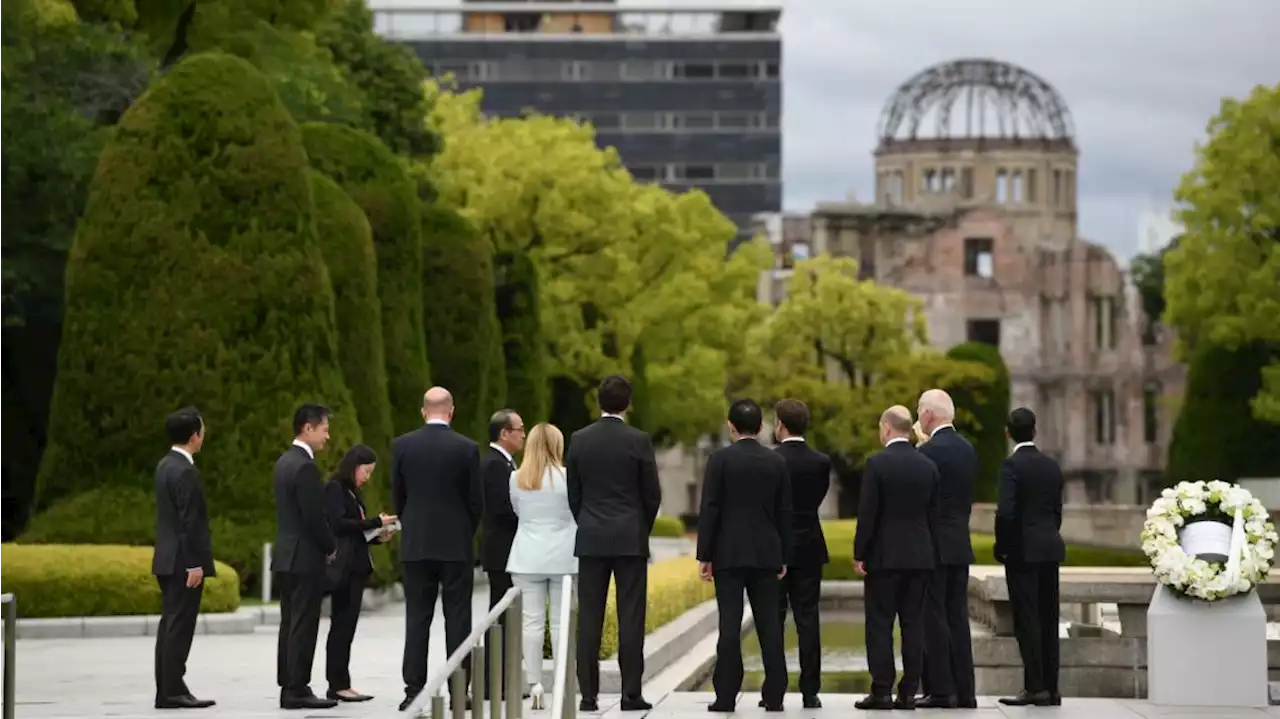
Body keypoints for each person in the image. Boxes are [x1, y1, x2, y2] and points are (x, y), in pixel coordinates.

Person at [567, 374, 661, 712]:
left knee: (589, 617)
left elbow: (574, 492)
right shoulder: (639, 440)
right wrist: (640, 527)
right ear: (628, 403)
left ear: (599, 401)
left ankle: (588, 696)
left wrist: (587, 521)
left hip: (591, 536)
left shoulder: (579, 439)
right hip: (629, 538)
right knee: (631, 617)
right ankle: (630, 694)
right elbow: (652, 494)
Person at [699, 399, 792, 713]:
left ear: (731, 425)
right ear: (762, 427)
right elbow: (784, 513)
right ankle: (776, 694)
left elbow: (710, 508)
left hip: (728, 553)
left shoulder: (720, 460)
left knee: (729, 624)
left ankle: (726, 694)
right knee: (770, 625)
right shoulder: (776, 462)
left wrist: (705, 555)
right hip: (766, 553)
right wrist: (783, 555)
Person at [393, 387, 483, 712]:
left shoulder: (402, 445)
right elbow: (476, 502)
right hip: (455, 545)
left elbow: (399, 497)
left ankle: (413, 689)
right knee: (458, 619)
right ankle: (460, 689)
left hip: (416, 544)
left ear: (423, 412)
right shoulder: (467, 448)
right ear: (451, 411)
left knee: (417, 618)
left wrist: (413, 526)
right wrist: (463, 533)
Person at [853, 406, 940, 711]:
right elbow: (933, 515)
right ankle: (908, 692)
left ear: (887, 428)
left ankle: (881, 690)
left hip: (885, 557)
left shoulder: (877, 464)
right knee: (913, 625)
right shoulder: (928, 465)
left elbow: (868, 514)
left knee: (879, 625)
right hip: (920, 556)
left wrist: (859, 553)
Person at [995, 408, 1066, 708]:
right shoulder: (1052, 466)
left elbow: (1007, 513)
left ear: (1008, 433)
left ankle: (1034, 686)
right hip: (1050, 547)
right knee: (1049, 618)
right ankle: (1051, 688)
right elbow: (1056, 511)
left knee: (1027, 620)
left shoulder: (1011, 466)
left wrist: (1004, 546)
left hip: (1023, 552)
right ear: (1034, 431)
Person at [506, 423, 578, 709]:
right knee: (561, 623)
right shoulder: (568, 478)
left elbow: (517, 511)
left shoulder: (516, 478)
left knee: (531, 623)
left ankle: (535, 683)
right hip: (564, 555)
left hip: (526, 555)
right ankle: (560, 682)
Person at [915, 389, 978, 709]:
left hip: (933, 547)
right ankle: (965, 691)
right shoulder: (968, 449)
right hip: (959, 544)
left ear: (928, 414)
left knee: (934, 618)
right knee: (958, 618)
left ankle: (941, 690)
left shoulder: (927, 453)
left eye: (919, 413)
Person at [273, 403, 338, 710]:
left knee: (290, 622)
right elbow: (314, 518)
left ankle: (289, 681)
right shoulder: (306, 467)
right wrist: (330, 546)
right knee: (304, 623)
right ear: (308, 428)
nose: (327, 437)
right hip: (304, 557)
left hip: (286, 555)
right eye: (324, 429)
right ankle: (297, 688)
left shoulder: (284, 462)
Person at [151, 407, 216, 710]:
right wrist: (194, 563)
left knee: (170, 625)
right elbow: (190, 521)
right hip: (182, 562)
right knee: (179, 626)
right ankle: (173, 690)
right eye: (202, 431)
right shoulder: (186, 470)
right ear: (194, 436)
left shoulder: (165, 465)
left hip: (166, 557)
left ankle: (168, 687)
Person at [322, 444, 397, 703]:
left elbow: (357, 532)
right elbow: (340, 525)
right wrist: (376, 522)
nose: (367, 477)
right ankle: (337, 683)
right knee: (341, 626)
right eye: (365, 471)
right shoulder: (335, 488)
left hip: (357, 566)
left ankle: (343, 681)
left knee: (347, 626)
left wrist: (378, 535)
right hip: (344, 569)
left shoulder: (352, 492)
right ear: (353, 466)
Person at [771, 398, 830, 709]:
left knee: (774, 620)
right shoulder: (821, 461)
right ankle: (810, 691)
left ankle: (775, 690)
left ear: (780, 424)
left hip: (777, 547)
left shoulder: (772, 459)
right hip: (809, 544)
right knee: (808, 619)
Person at [481, 409, 525, 701]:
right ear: (504, 434)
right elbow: (503, 508)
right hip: (502, 551)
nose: (524, 434)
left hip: (508, 551)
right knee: (499, 616)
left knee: (506, 616)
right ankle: (492, 683)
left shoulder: (505, 462)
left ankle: (502, 681)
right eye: (520, 429)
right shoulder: (495, 465)